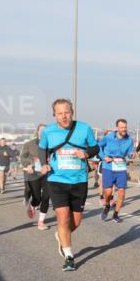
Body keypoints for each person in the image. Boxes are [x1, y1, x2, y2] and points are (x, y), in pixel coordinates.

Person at [39, 98, 99, 271]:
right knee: (63, 217)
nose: (64, 116)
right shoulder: (48, 131)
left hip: (79, 180)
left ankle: (61, 235)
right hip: (56, 179)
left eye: (67, 112)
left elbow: (95, 148)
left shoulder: (84, 128)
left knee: (76, 221)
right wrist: (43, 164)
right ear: (54, 115)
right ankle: (69, 256)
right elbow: (42, 148)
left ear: (72, 112)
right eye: (60, 113)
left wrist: (86, 154)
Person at [98, 119, 135, 222]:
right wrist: (103, 157)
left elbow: (130, 153)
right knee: (108, 192)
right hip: (108, 166)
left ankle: (116, 214)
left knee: (122, 192)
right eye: (121, 127)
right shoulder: (109, 137)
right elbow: (98, 146)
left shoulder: (129, 140)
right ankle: (107, 205)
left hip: (121, 167)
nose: (124, 129)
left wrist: (131, 155)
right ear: (117, 128)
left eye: (125, 127)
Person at [21, 125, 51, 230]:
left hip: (48, 173)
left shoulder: (51, 144)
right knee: (37, 198)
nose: (43, 132)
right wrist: (28, 164)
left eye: (45, 130)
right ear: (37, 132)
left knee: (46, 196)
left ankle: (41, 222)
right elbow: (23, 157)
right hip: (34, 174)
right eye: (41, 130)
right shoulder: (29, 144)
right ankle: (33, 205)